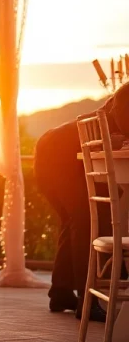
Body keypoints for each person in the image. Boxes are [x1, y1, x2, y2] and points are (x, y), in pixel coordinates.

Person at [34, 81, 129, 322]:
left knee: (75, 222)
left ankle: (61, 292)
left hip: (49, 150)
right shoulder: (117, 107)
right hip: (57, 156)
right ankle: (87, 301)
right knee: (85, 221)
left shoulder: (113, 106)